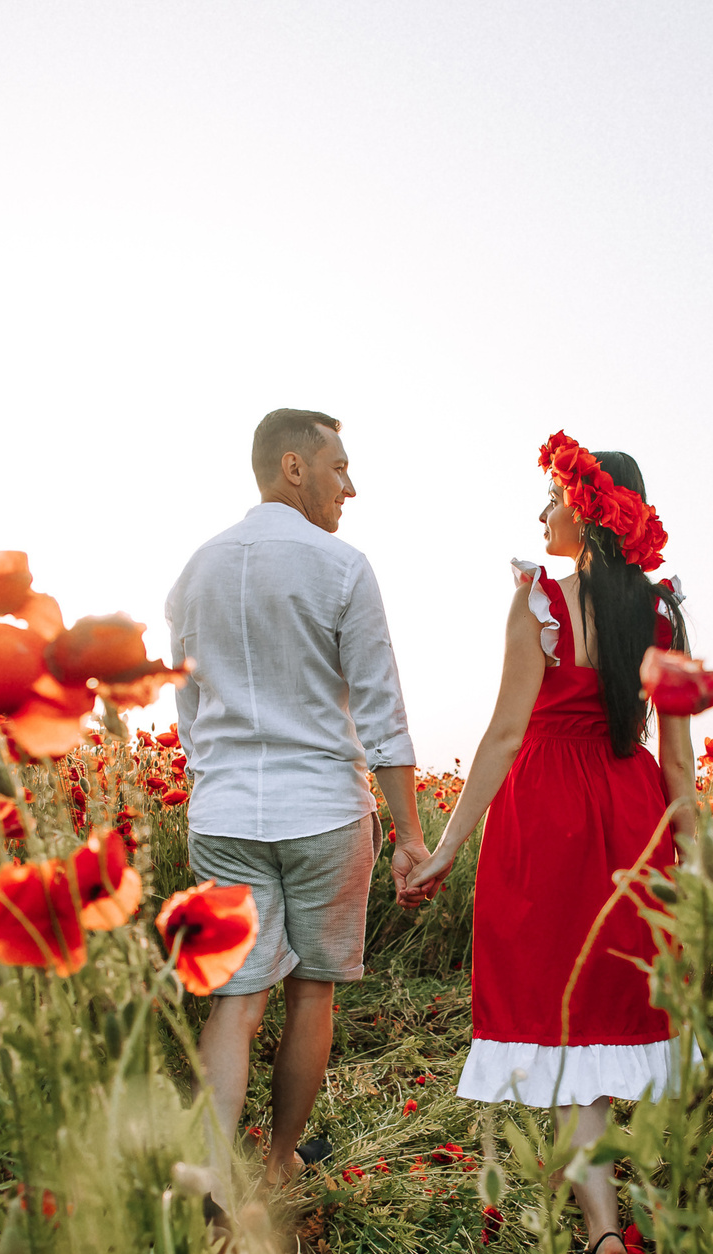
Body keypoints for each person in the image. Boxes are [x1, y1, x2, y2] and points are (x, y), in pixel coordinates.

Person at [404, 432, 692, 1254]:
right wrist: (702, 869)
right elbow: (678, 760)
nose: (540, 514)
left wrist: (449, 844)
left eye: (552, 497)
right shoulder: (666, 614)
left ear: (588, 509)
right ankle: (607, 1228)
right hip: (631, 815)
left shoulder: (539, 600)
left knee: (569, 1029)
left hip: (548, 817)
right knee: (604, 1028)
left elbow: (499, 736)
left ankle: (604, 1232)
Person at [166, 409, 428, 1188]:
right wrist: (410, 836)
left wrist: (215, 776)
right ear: (292, 467)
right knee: (312, 994)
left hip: (224, 813)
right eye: (339, 466)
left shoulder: (195, 571)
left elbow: (186, 710)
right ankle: (280, 1161)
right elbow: (382, 712)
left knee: (236, 1001)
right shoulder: (343, 567)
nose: (351, 485)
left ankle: (213, 1178)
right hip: (324, 811)